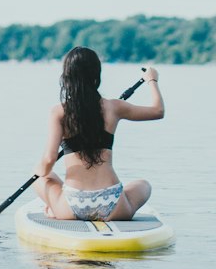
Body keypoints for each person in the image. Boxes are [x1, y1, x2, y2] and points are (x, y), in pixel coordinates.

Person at [33, 47, 164, 221]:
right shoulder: (115, 107)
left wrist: (42, 174)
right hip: (113, 204)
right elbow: (158, 111)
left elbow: (48, 161)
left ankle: (56, 208)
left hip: (72, 205)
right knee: (143, 185)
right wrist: (152, 80)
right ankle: (61, 206)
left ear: (67, 76)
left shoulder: (59, 112)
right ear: (97, 75)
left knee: (40, 176)